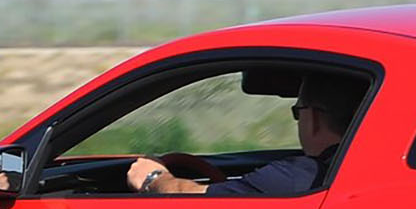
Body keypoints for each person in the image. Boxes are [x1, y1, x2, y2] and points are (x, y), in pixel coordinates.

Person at [126, 73, 365, 197]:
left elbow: (195, 199)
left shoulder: (298, 177)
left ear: (312, 117)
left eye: (297, 112)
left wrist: (152, 178)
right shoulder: (367, 167)